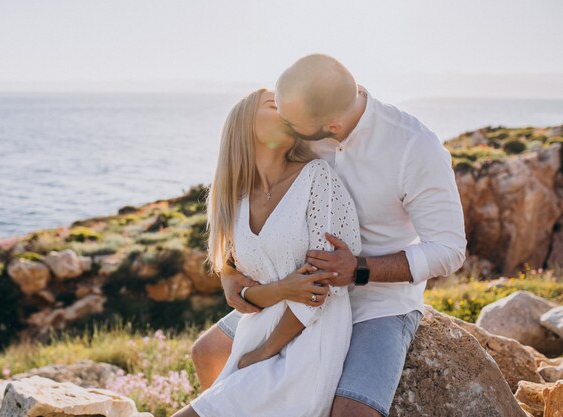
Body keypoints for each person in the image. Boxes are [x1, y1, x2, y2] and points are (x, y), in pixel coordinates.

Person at [191, 54, 467, 417]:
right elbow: (250, 203)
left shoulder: (414, 147)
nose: (283, 124)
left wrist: (359, 269)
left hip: (378, 301)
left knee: (352, 412)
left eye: (288, 120)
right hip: (296, 287)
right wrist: (230, 275)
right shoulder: (307, 110)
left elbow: (449, 250)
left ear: (332, 127)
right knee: (208, 352)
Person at [171, 88, 362, 417]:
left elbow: (322, 287)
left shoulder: (317, 178)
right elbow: (245, 297)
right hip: (255, 335)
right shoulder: (238, 199)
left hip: (306, 344)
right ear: (244, 124)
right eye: (274, 104)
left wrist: (262, 353)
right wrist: (276, 292)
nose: (286, 109)